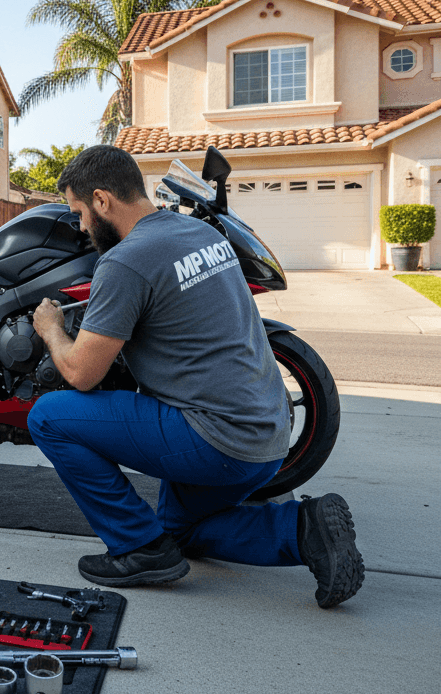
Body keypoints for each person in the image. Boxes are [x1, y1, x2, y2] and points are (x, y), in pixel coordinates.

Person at [26, 147, 364, 608]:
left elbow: (81, 373)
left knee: (48, 417)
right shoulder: (199, 232)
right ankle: (305, 529)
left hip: (216, 442)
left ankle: (137, 548)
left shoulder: (125, 261)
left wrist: (51, 331)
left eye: (79, 213)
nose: (82, 227)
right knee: (180, 532)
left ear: (102, 200)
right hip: (266, 439)